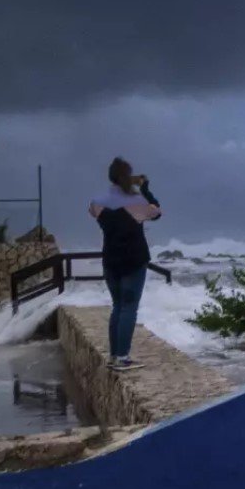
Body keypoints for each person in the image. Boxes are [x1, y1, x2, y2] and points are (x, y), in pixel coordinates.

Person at [88, 158, 162, 371]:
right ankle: (122, 357)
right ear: (127, 177)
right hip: (133, 260)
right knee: (129, 308)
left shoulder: (97, 202)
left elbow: (92, 212)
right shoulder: (136, 202)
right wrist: (145, 189)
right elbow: (156, 212)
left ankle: (114, 356)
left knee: (118, 307)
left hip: (110, 260)